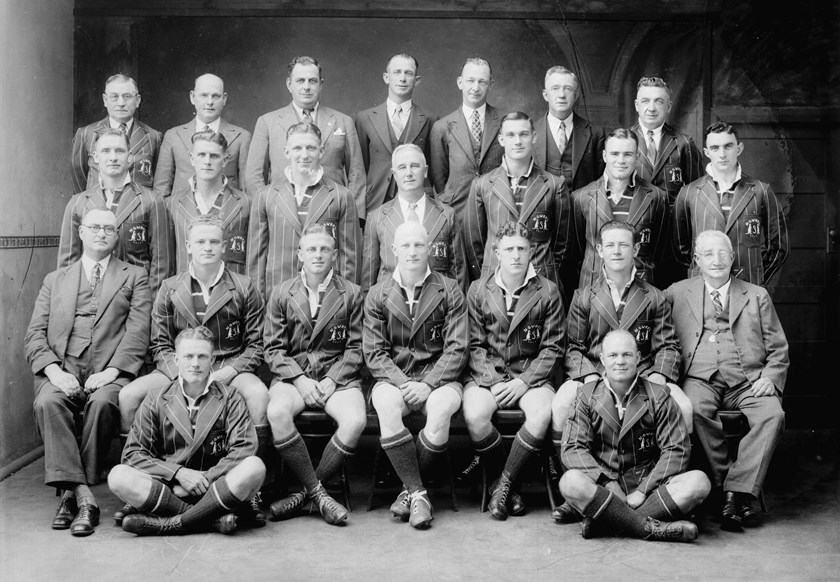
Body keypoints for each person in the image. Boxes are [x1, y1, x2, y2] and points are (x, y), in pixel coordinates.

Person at [116, 214, 269, 522]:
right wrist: (181, 372)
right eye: (200, 241)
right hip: (180, 365)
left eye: (214, 241)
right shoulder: (170, 287)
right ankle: (150, 485)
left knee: (258, 395)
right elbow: (160, 344)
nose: (207, 247)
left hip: (227, 365)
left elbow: (256, 345)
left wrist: (229, 371)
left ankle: (252, 491)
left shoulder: (243, 286)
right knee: (128, 396)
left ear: (224, 246)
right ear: (188, 246)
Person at [550, 220, 688, 523]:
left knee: (685, 406)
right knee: (560, 404)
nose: (616, 251)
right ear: (599, 250)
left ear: (635, 249)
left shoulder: (654, 296)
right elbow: (573, 347)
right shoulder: (584, 296)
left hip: (642, 373)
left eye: (624, 245)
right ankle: (575, 495)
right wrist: (588, 376)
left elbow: (668, 346)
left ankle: (659, 488)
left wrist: (659, 375)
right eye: (610, 245)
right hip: (596, 373)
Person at [24, 207, 151, 537]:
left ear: (117, 235)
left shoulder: (134, 276)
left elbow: (138, 333)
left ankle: (71, 496)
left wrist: (112, 372)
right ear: (81, 233)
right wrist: (54, 372)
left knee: (103, 404)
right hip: (63, 368)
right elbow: (34, 335)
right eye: (94, 227)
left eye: (109, 229)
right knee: (48, 403)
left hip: (109, 371)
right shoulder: (55, 280)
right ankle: (85, 497)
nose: (101, 234)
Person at [665, 230, 788, 531]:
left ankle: (735, 492)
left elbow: (778, 348)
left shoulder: (756, 295)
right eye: (708, 254)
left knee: (772, 414)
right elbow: (657, 330)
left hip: (747, 380)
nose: (716, 260)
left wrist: (770, 377)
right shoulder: (677, 292)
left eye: (723, 253)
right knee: (693, 409)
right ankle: (730, 489)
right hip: (699, 378)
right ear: (697, 260)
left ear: (732, 257)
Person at [109, 326, 266, 536]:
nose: (195, 363)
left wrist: (205, 479)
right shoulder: (156, 398)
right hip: (170, 489)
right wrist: (179, 474)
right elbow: (133, 454)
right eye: (188, 356)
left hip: (216, 488)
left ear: (212, 360)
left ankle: (169, 524)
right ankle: (210, 521)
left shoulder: (231, 397)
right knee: (118, 476)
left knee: (255, 466)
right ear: (176, 359)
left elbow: (244, 448)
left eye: (202, 356)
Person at [559, 330, 710, 542]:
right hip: (603, 490)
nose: (620, 361)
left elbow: (676, 450)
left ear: (638, 358)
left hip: (648, 489)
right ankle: (647, 527)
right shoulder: (586, 395)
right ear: (602, 359)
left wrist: (642, 491)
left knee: (699, 482)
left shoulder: (659, 395)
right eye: (613, 355)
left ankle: (606, 523)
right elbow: (573, 448)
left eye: (627, 355)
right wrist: (608, 483)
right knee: (569, 482)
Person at [364, 221, 468, 529]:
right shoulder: (378, 293)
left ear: (429, 249)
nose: (412, 251)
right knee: (385, 403)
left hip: (438, 378)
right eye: (406, 245)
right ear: (394, 250)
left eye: (419, 245)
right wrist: (403, 383)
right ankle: (418, 493)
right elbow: (375, 353)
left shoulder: (449, 288)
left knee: (441, 407)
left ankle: (408, 492)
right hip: (395, 377)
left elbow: (457, 348)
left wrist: (428, 384)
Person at [264, 225, 366, 525]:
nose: (318, 255)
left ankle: (305, 494)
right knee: (277, 412)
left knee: (355, 421)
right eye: (311, 249)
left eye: (324, 249)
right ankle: (320, 494)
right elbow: (273, 349)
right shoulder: (282, 292)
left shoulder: (352, 293)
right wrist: (299, 379)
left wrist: (333, 378)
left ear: (335, 255)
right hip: (294, 377)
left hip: (338, 378)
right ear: (300, 254)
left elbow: (357, 347)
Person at [462, 222, 565, 521]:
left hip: (530, 376)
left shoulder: (548, 290)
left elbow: (553, 347)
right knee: (474, 414)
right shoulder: (478, 289)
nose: (516, 255)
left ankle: (503, 485)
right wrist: (494, 381)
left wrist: (524, 382)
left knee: (541, 413)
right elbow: (474, 345)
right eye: (509, 249)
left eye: (522, 248)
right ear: (497, 253)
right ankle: (508, 485)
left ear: (532, 251)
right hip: (488, 376)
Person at [247, 122, 362, 300]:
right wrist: (258, 303)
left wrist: (345, 303)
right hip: (278, 297)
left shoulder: (341, 196)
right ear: (287, 152)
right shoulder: (266, 196)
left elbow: (350, 258)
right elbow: (256, 260)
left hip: (326, 298)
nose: (304, 155)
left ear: (321, 151)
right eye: (297, 148)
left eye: (311, 148)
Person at [245, 56, 366, 219]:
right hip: (282, 214)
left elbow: (357, 175)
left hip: (332, 213)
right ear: (289, 84)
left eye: (312, 81)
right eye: (300, 81)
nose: (306, 87)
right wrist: (265, 213)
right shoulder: (267, 122)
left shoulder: (343, 121)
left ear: (321, 84)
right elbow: (254, 175)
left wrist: (353, 217)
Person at [59, 127, 174, 295]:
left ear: (130, 157)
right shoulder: (78, 203)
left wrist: (149, 305)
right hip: (89, 299)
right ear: (95, 157)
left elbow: (162, 263)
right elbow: (67, 263)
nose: (113, 157)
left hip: (134, 299)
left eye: (119, 151)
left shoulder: (151, 201)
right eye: (106, 151)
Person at [464, 111, 570, 291]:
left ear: (534, 137)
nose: (518, 141)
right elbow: (475, 244)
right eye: (511, 135)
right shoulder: (482, 185)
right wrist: (490, 273)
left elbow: (563, 244)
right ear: (501, 139)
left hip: (541, 283)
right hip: (495, 282)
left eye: (523, 134)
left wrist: (547, 273)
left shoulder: (554, 185)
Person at [674, 121, 789, 285]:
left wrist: (755, 278)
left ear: (739, 148)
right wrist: (701, 273)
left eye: (728, 146)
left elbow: (779, 248)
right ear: (707, 152)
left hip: (747, 287)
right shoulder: (689, 193)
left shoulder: (761, 191)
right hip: (704, 287)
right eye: (715, 148)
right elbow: (681, 249)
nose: (722, 154)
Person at [570, 128, 670, 289]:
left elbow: (660, 251)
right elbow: (575, 253)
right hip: (594, 288)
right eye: (615, 154)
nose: (621, 160)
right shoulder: (581, 197)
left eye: (628, 154)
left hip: (641, 288)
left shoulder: (656, 197)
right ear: (604, 156)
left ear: (637, 156)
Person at [362, 144, 466, 293]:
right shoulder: (377, 218)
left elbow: (458, 273)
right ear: (394, 174)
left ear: (425, 171)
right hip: (390, 302)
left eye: (415, 166)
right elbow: (368, 280)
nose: (409, 173)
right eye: (402, 167)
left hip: (437, 301)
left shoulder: (447, 215)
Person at [631, 76, 703, 288]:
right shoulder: (624, 142)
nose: (651, 108)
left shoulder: (683, 144)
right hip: (637, 236)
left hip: (674, 241)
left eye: (659, 101)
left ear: (669, 106)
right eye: (645, 101)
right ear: (636, 105)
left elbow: (697, 196)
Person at [355, 53, 438, 215]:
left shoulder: (430, 119)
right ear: (386, 77)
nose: (402, 78)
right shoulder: (365, 118)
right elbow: (360, 168)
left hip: (416, 201)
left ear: (417, 80)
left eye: (408, 73)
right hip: (376, 200)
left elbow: (434, 169)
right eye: (397, 72)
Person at [153, 73, 252, 198]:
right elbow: (161, 190)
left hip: (225, 209)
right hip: (182, 209)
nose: (210, 102)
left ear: (224, 99)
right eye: (204, 95)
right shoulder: (173, 136)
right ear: (192, 97)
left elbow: (246, 191)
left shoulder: (241, 137)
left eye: (216, 96)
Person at [167, 130, 251, 275]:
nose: (207, 161)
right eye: (201, 155)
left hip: (231, 286)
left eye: (214, 156)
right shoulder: (172, 204)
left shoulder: (245, 203)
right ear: (192, 158)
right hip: (186, 285)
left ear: (225, 160)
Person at [430, 58, 504, 219]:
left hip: (496, 210)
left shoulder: (504, 122)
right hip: (458, 212)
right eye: (470, 80)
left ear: (490, 85)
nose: (475, 88)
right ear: (460, 83)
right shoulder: (442, 127)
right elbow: (439, 179)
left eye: (482, 82)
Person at [72, 73, 162, 194]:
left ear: (137, 100)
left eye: (127, 96)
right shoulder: (86, 134)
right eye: (114, 96)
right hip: (99, 203)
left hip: (138, 204)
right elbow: (79, 178)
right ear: (105, 100)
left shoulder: (153, 137)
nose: (121, 103)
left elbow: (158, 183)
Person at [533, 66, 605, 192]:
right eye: (555, 88)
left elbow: (601, 181)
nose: (561, 95)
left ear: (576, 95)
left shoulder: (595, 133)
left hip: (582, 204)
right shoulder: (530, 133)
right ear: (545, 95)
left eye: (568, 89)